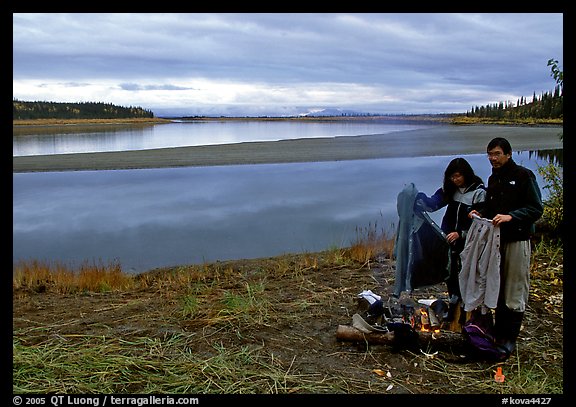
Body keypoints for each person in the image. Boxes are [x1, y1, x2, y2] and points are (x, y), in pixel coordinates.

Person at [469, 137, 543, 359]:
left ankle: (508, 340)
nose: (493, 158)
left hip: (517, 240)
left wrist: (512, 217)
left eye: (497, 154)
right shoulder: (494, 178)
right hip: (496, 241)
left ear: (509, 154)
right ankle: (498, 335)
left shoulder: (523, 176)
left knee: (514, 289)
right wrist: (480, 212)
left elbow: (536, 208)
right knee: (498, 286)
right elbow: (492, 207)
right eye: (490, 154)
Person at [414, 157, 486, 320]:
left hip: (468, 241)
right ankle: (453, 305)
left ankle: (466, 311)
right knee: (451, 272)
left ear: (466, 174)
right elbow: (433, 204)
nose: (455, 180)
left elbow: (481, 221)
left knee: (466, 274)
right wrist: (419, 199)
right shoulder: (450, 189)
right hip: (448, 240)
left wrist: (461, 233)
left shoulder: (479, 192)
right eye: (452, 177)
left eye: (458, 176)